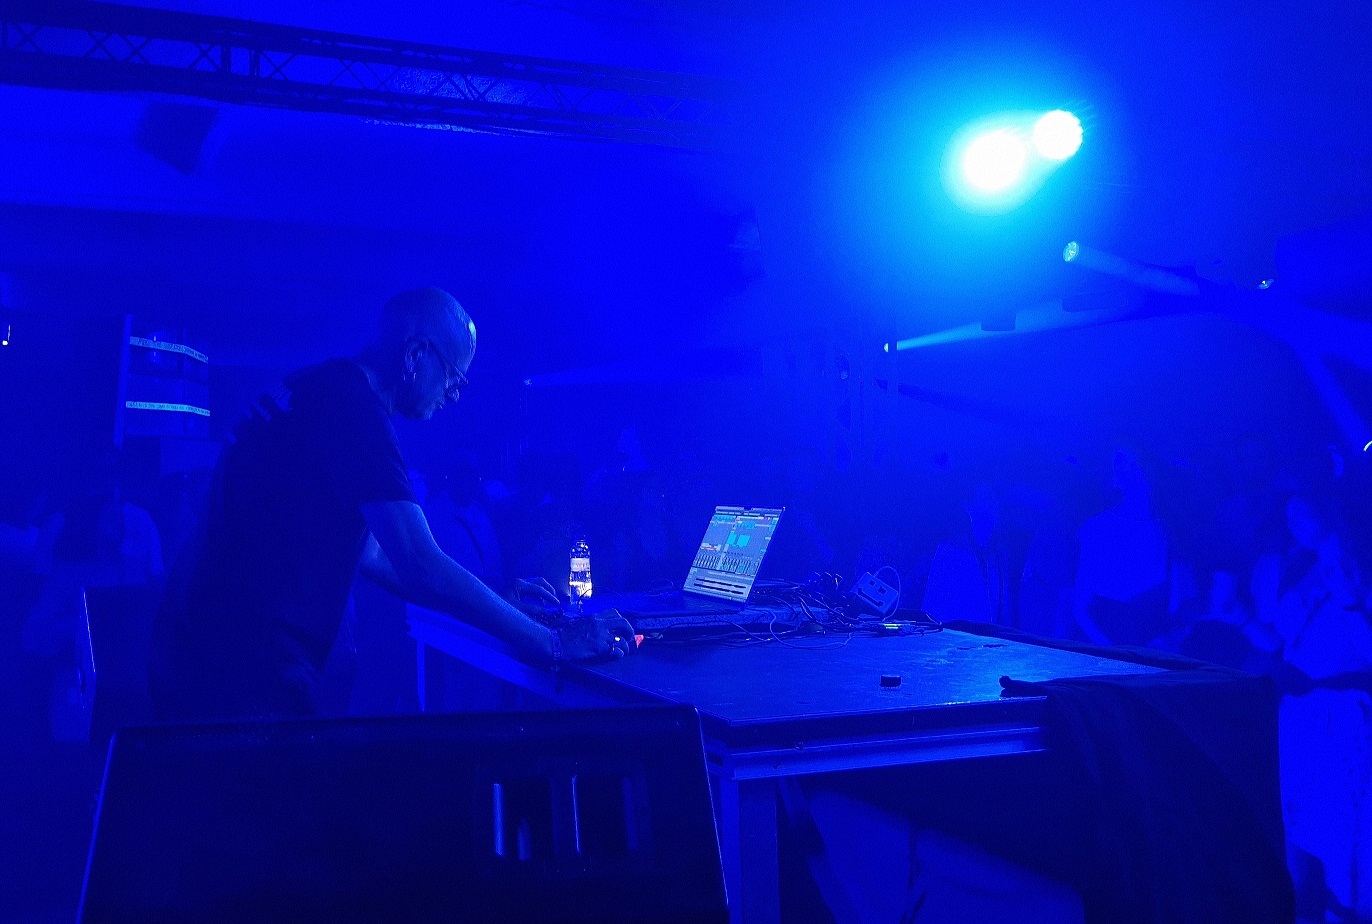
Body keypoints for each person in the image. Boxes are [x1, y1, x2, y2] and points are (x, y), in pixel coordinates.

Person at [149, 288, 635, 723]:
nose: (454, 395)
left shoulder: (319, 388)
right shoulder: (353, 411)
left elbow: (376, 556)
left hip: (198, 651)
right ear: (415, 354)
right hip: (237, 672)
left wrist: (498, 595)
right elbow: (419, 563)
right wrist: (552, 642)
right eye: (454, 377)